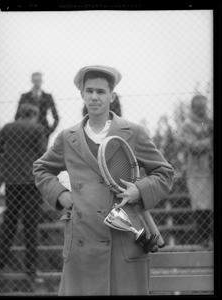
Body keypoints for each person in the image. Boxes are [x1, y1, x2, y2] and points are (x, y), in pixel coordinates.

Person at [33, 65, 174, 296]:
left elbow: (165, 173)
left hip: (124, 239)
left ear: (112, 96)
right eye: (89, 91)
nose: (94, 97)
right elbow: (41, 169)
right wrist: (61, 194)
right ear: (82, 95)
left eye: (100, 91)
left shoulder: (134, 132)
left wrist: (138, 190)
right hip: (81, 243)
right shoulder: (67, 138)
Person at [0, 103, 46, 279]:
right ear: (34, 115)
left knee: (10, 222)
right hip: (31, 183)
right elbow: (42, 154)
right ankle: (31, 268)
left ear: (20, 114)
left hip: (13, 183)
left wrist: (2, 167)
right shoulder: (37, 129)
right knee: (31, 225)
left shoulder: (8, 128)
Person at [181, 94, 213, 247]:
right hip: (197, 171)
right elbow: (193, 146)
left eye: (205, 108)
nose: (204, 111)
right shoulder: (188, 124)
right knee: (201, 206)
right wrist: (210, 141)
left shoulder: (206, 122)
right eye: (201, 108)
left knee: (208, 205)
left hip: (209, 168)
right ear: (195, 108)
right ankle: (204, 240)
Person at [15, 72, 59, 146]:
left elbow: (56, 118)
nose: (37, 83)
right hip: (27, 131)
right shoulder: (24, 97)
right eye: (35, 80)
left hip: (43, 131)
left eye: (39, 80)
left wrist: (49, 131)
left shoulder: (47, 97)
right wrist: (21, 130)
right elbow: (17, 116)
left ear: (42, 81)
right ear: (32, 81)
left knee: (42, 154)